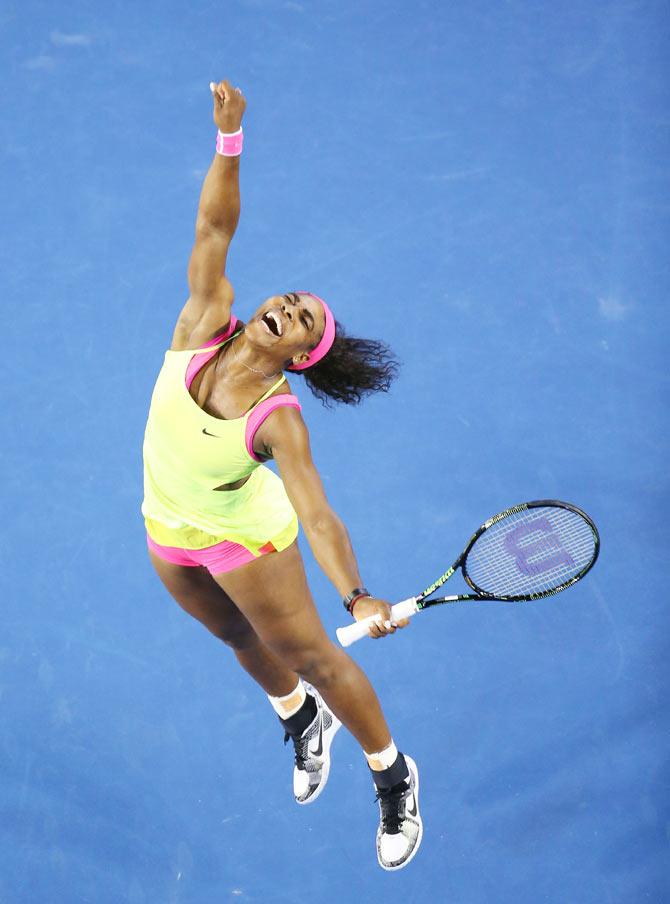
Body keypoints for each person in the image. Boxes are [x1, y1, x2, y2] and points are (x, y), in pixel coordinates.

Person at [141, 79, 422, 871]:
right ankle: (301, 722)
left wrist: (356, 594)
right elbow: (213, 224)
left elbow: (318, 513)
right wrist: (229, 140)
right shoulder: (204, 318)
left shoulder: (278, 418)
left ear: (301, 357)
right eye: (293, 299)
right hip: (167, 520)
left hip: (243, 537)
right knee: (232, 635)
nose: (290, 307)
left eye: (303, 320)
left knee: (315, 657)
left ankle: (393, 774)